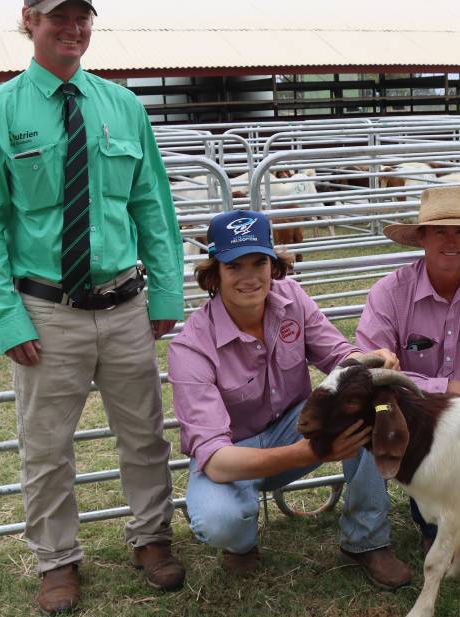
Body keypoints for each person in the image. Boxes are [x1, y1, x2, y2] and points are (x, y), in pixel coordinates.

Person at [0, 0, 186, 615]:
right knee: (46, 445)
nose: (72, 28)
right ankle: (57, 561)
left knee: (144, 434)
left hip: (125, 304)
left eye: (83, 16)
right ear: (29, 19)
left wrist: (165, 290)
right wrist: (5, 314)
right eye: (58, 15)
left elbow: (151, 205)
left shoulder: (124, 107)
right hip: (46, 310)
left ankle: (151, 538)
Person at [168, 210, 412, 591]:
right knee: (219, 520)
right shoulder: (190, 347)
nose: (249, 277)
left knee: (364, 399)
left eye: (259, 262)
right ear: (214, 274)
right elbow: (215, 461)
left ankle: (367, 539)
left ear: (273, 264)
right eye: (234, 266)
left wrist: (368, 361)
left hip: (294, 426)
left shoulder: (291, 298)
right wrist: (310, 452)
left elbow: (337, 356)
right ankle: (241, 544)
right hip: (234, 452)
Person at [355, 185, 460, 547]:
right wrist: (442, 389)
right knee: (365, 413)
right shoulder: (387, 294)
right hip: (410, 414)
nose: (451, 240)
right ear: (421, 238)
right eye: (439, 231)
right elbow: (369, 371)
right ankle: (375, 533)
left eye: (459, 230)